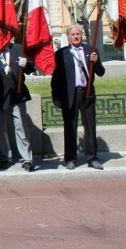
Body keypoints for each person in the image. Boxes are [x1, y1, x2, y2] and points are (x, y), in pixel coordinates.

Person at [51, 24, 106, 170]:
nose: (76, 36)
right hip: (70, 94)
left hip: (87, 93)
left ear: (82, 36)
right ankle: (70, 159)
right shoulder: (61, 54)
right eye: (73, 34)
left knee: (90, 126)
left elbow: (101, 72)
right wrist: (56, 97)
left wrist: (96, 62)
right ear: (68, 37)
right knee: (70, 127)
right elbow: (55, 78)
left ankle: (92, 158)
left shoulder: (91, 51)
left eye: (78, 34)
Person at [0, 40, 36, 172]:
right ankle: (5, 157)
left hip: (17, 95)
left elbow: (32, 67)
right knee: (0, 129)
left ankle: (26, 158)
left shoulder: (18, 49)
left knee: (21, 127)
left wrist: (26, 64)